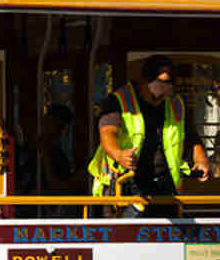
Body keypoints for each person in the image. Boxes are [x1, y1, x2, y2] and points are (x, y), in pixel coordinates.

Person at [88, 55, 211, 217]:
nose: (159, 100)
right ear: (143, 82)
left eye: (165, 94)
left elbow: (191, 137)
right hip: (123, 187)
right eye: (155, 95)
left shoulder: (176, 104)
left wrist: (201, 160)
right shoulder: (119, 100)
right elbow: (107, 133)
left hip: (164, 189)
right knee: (125, 238)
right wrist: (119, 154)